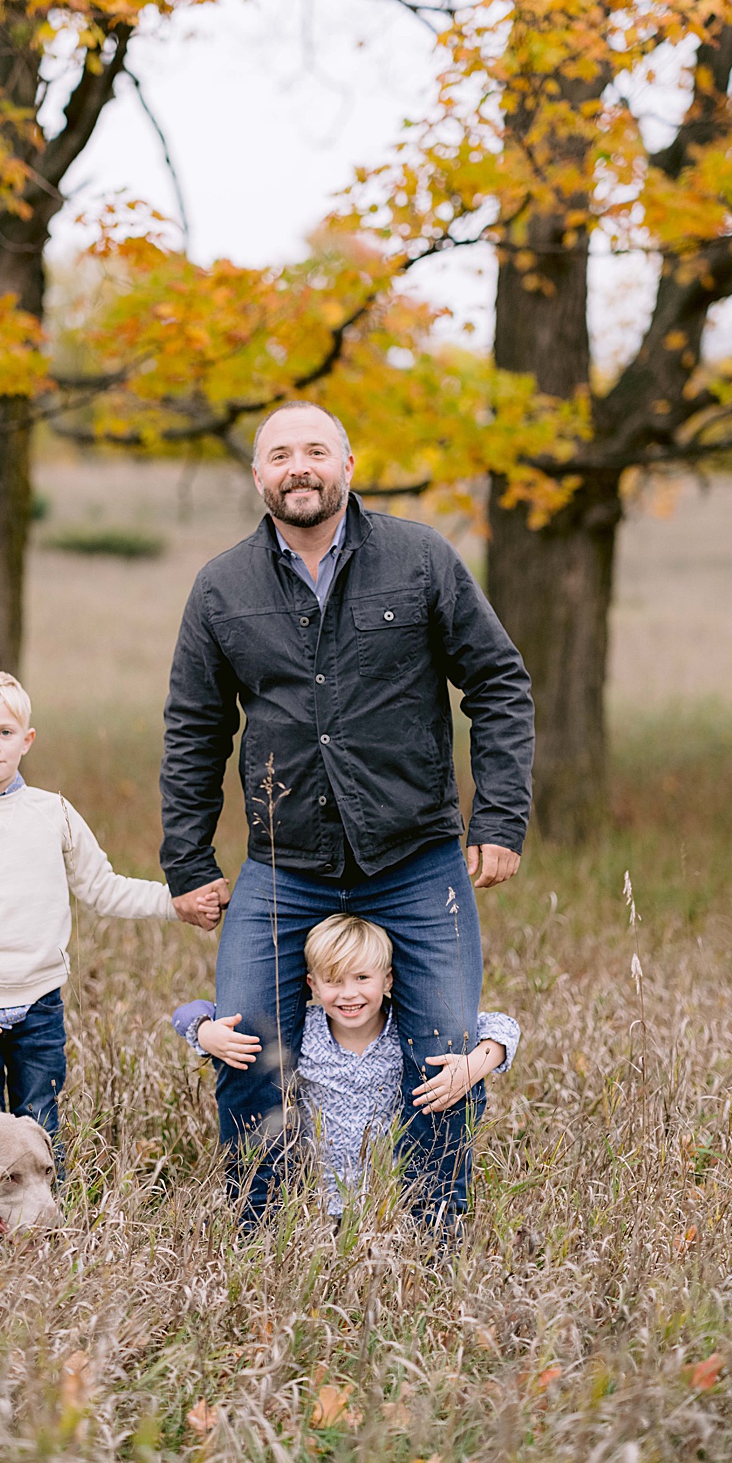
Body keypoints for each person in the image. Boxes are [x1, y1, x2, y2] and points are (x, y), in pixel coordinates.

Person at [159, 401, 534, 1226]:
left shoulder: (420, 558)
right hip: (284, 864)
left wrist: (500, 817)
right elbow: (195, 727)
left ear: (348, 465)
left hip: (418, 858)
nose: (300, 466)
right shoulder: (222, 585)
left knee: (440, 1059)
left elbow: (499, 683)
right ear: (259, 475)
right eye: (281, 454)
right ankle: (264, 1241)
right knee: (247, 1046)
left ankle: (429, 1247)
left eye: (317, 450)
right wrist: (188, 862)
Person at [0, 669, 221, 1141]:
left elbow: (103, 887)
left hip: (39, 1009)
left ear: (26, 739)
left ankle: (43, 1213)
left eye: (4, 733)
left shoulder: (52, 813)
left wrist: (173, 904)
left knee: (41, 1126)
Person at [172, 914, 520, 1217]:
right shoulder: (304, 1030)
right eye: (334, 981)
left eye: (362, 979)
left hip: (389, 1201)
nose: (348, 994)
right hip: (316, 1203)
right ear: (312, 984)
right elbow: (185, 1013)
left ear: (388, 980)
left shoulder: (407, 1030)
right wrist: (205, 1032)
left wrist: (474, 1064)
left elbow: (503, 1028)